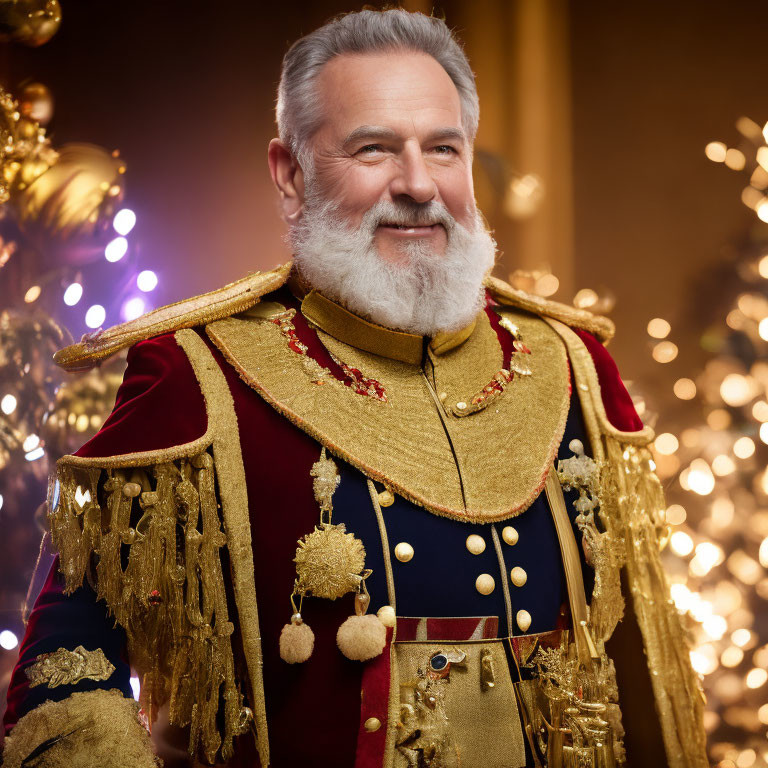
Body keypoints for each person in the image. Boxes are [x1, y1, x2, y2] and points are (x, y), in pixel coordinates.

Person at [2, 9, 708, 768]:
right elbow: (63, 676)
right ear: (290, 172)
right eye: (373, 148)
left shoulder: (574, 365)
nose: (416, 185)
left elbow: (645, 673)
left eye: (443, 149)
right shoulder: (194, 378)